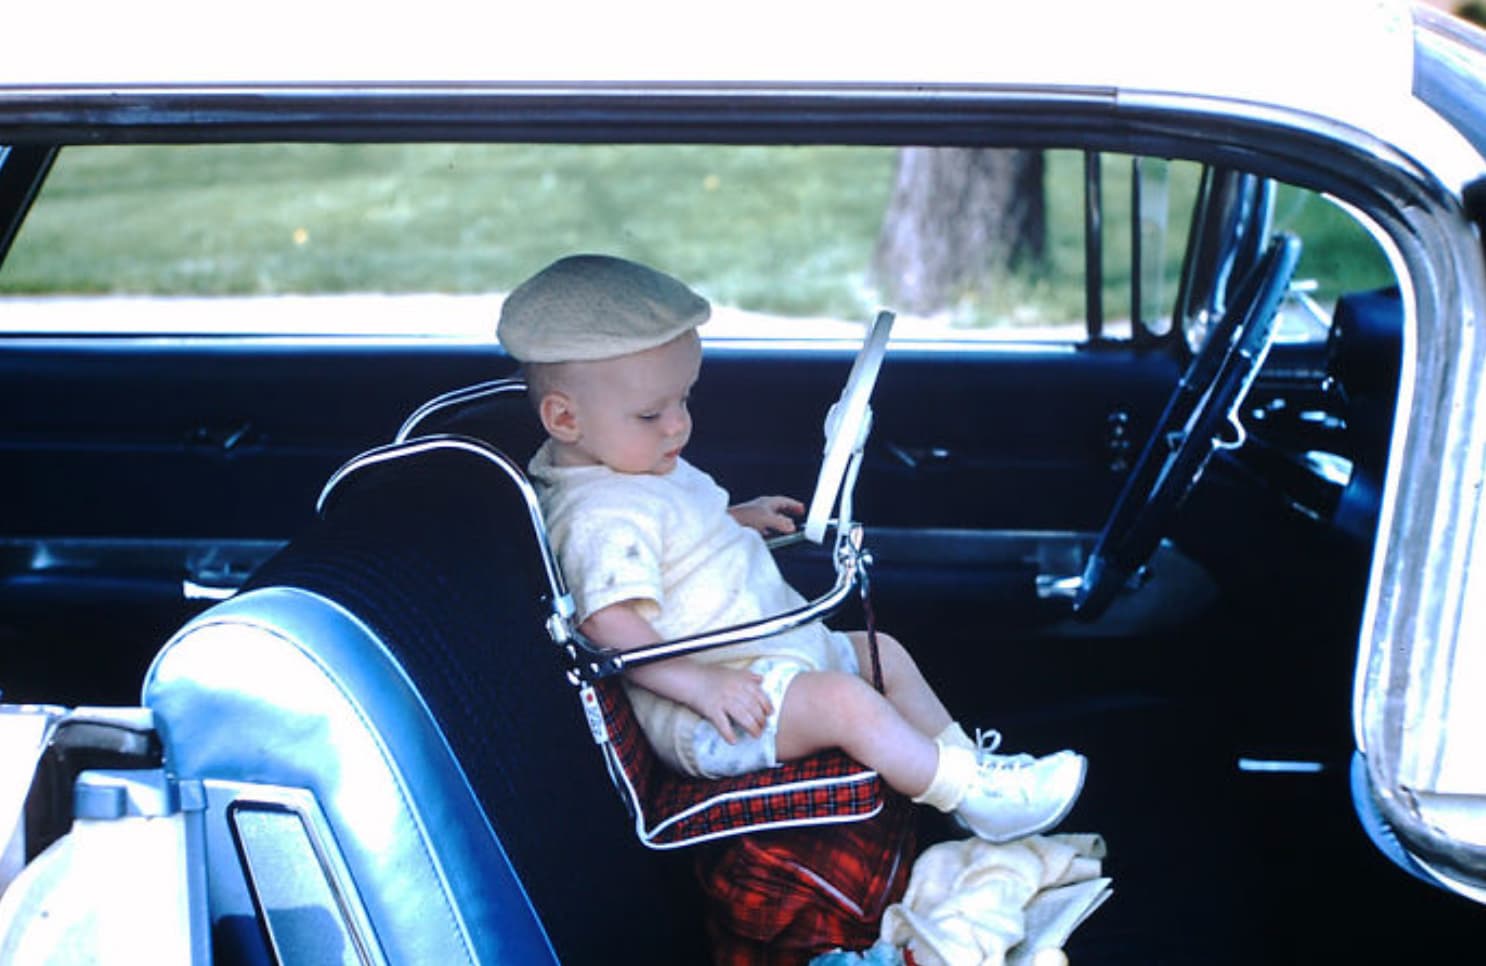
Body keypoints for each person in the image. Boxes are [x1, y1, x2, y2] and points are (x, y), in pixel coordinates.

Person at [498, 253, 1086, 843]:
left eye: (685, 400)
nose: (677, 426)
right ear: (564, 419)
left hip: (760, 659)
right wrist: (702, 687)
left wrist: (734, 519)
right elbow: (608, 622)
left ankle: (971, 778)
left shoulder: (630, 462)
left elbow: (669, 537)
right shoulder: (595, 513)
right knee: (845, 703)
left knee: (885, 653)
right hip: (716, 709)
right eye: (652, 412)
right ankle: (964, 792)